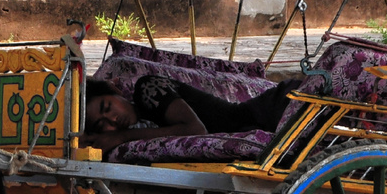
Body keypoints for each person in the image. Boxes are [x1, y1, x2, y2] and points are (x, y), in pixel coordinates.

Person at [83, 75, 300, 151]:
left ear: (115, 91)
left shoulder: (146, 88)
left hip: (277, 110)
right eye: (103, 125)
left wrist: (119, 136)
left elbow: (196, 130)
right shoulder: (143, 127)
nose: (113, 119)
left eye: (107, 107)